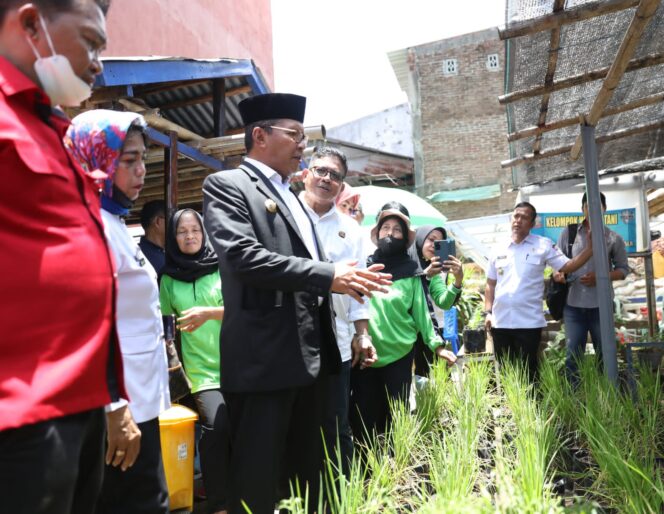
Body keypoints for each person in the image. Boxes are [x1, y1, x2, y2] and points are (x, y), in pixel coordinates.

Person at [202, 92, 391, 514]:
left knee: (313, 476)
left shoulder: (292, 195)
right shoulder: (229, 185)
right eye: (294, 135)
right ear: (259, 136)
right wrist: (330, 276)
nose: (302, 145)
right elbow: (242, 257)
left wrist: (349, 280)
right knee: (258, 481)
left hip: (312, 360)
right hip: (265, 361)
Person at [0, 2, 127, 513]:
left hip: (79, 403)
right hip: (20, 412)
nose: (98, 62)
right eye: (91, 42)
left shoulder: (51, 128)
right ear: (31, 24)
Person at [65, 109, 171, 514]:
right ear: (95, 160)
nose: (141, 170)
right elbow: (85, 323)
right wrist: (114, 408)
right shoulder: (90, 226)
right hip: (118, 409)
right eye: (128, 160)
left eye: (143, 158)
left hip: (138, 402)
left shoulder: (113, 221)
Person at [350, 203, 457, 443]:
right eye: (385, 228)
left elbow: (422, 312)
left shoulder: (412, 273)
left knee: (395, 415)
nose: (390, 234)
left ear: (405, 238)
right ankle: (366, 471)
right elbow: (352, 307)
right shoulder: (364, 268)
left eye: (396, 230)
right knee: (362, 415)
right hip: (366, 352)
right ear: (377, 234)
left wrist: (437, 347)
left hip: (399, 355)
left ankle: (393, 467)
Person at [299, 146, 377, 476]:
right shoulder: (286, 218)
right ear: (306, 174)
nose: (326, 179)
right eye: (321, 170)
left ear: (342, 185)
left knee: (335, 425)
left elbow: (361, 289)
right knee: (296, 427)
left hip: (338, 340)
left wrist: (363, 333)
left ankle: (343, 499)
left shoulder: (352, 231)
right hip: (291, 342)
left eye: (335, 175)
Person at [160, 208, 228, 514]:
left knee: (243, 433)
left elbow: (244, 310)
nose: (190, 237)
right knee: (215, 432)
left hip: (237, 366)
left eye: (195, 230)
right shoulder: (169, 280)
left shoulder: (222, 268)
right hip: (201, 374)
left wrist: (209, 313)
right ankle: (220, 504)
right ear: (173, 238)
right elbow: (164, 329)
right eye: (182, 232)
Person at [484, 202, 594, 382]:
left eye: (524, 217)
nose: (518, 221)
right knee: (505, 372)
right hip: (500, 322)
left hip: (529, 323)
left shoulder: (543, 245)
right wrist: (487, 313)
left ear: (533, 223)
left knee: (530, 372)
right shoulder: (498, 247)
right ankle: (512, 408)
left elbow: (568, 265)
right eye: (516, 216)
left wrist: (590, 249)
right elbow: (490, 284)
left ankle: (533, 408)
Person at [553, 192, 629, 387]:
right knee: (572, 355)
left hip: (601, 306)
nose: (592, 211)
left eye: (597, 207)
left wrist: (600, 277)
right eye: (588, 207)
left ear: (604, 209)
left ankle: (606, 394)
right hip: (573, 305)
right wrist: (558, 274)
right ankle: (574, 396)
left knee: (606, 353)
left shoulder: (614, 238)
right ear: (582, 209)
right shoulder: (568, 233)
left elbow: (622, 271)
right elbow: (558, 264)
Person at [410, 225, 464, 377]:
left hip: (431, 331)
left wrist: (458, 280)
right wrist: (424, 275)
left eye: (440, 243)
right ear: (420, 239)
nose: (435, 246)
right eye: (431, 240)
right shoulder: (406, 265)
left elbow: (444, 301)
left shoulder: (436, 270)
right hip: (407, 333)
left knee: (430, 378)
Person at [139, 200, 167, 278]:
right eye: (171, 218)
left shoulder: (168, 252)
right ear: (158, 222)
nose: (176, 223)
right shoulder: (139, 256)